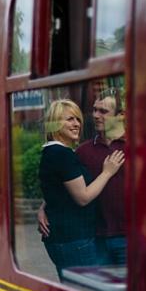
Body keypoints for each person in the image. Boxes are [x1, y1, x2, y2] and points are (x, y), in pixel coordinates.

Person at [38, 99, 124, 280]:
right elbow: (82, 196)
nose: (77, 124)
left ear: (121, 116)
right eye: (69, 119)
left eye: (77, 119)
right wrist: (107, 172)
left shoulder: (57, 153)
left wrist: (46, 205)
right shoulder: (66, 154)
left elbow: (60, 185)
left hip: (113, 238)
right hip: (78, 239)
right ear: (54, 122)